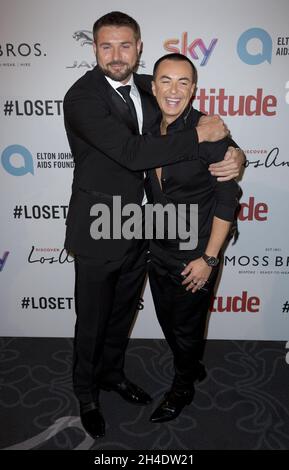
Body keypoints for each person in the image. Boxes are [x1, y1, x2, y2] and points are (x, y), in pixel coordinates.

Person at [63, 11, 244, 439]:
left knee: (122, 313)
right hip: (95, 228)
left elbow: (184, 103)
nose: (116, 55)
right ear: (94, 49)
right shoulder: (82, 98)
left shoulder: (147, 85)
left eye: (125, 45)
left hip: (135, 227)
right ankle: (86, 393)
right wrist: (203, 138)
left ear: (138, 49)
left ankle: (112, 375)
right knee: (92, 320)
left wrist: (233, 152)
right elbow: (130, 152)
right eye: (106, 46)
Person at [146, 53, 241, 423]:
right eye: (165, 81)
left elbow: (227, 197)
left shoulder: (210, 131)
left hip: (196, 255)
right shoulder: (148, 130)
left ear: (194, 88)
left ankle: (182, 387)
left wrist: (209, 259)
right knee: (169, 322)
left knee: (185, 329)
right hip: (158, 249)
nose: (173, 90)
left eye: (183, 82)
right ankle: (191, 364)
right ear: (153, 87)